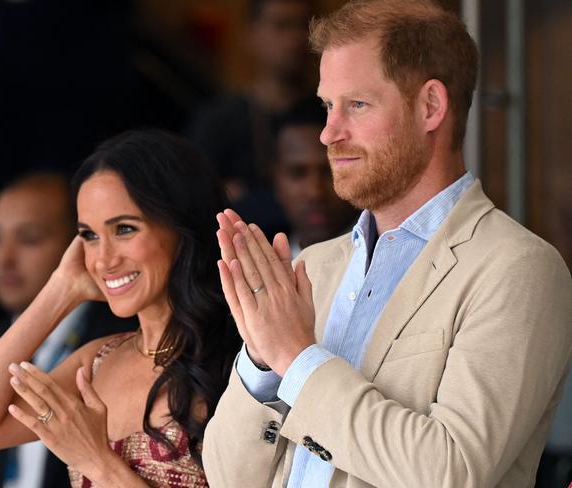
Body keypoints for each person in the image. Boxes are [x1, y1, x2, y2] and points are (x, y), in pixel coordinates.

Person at [203, 1, 572, 487]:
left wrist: (296, 358)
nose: (329, 133)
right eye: (327, 106)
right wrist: (260, 361)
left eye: (356, 105)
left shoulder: (518, 269)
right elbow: (228, 478)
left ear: (430, 107)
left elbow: (451, 472)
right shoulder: (312, 265)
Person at [0, 131, 240, 487]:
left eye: (124, 229)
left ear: (181, 227)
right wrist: (61, 290)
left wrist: (95, 461)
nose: (103, 260)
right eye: (89, 236)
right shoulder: (96, 361)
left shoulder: (241, 361)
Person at [0, 172, 136, 488]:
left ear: (75, 244)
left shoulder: (117, 341)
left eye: (29, 238)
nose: (4, 258)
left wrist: (62, 289)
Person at [188, 0, 316, 202]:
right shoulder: (219, 120)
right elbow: (193, 194)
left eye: (305, 26)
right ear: (252, 34)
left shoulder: (328, 114)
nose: (296, 38)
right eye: (282, 25)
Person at [271, 100, 358, 258]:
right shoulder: (254, 270)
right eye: (297, 174)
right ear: (275, 181)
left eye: (331, 172)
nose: (315, 193)